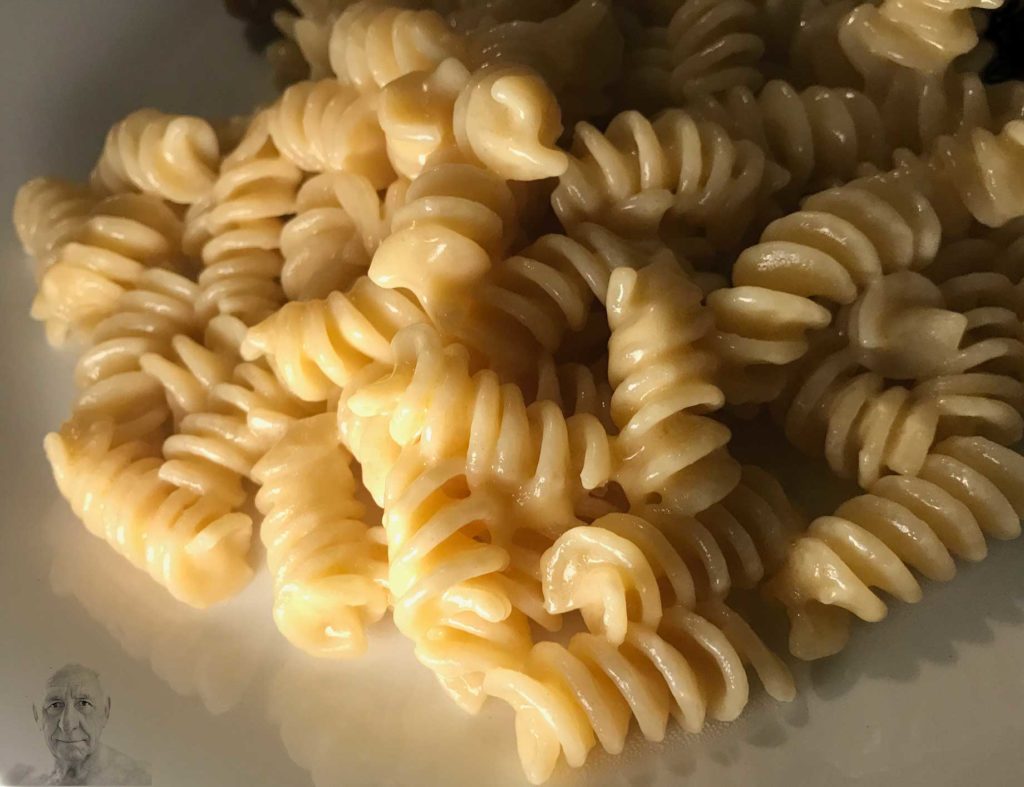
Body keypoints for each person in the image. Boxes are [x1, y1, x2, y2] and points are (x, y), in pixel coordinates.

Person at [4, 664, 151, 786]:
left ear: (105, 711)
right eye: (55, 705)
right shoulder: (21, 780)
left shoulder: (138, 779)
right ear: (37, 716)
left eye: (84, 703)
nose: (67, 724)